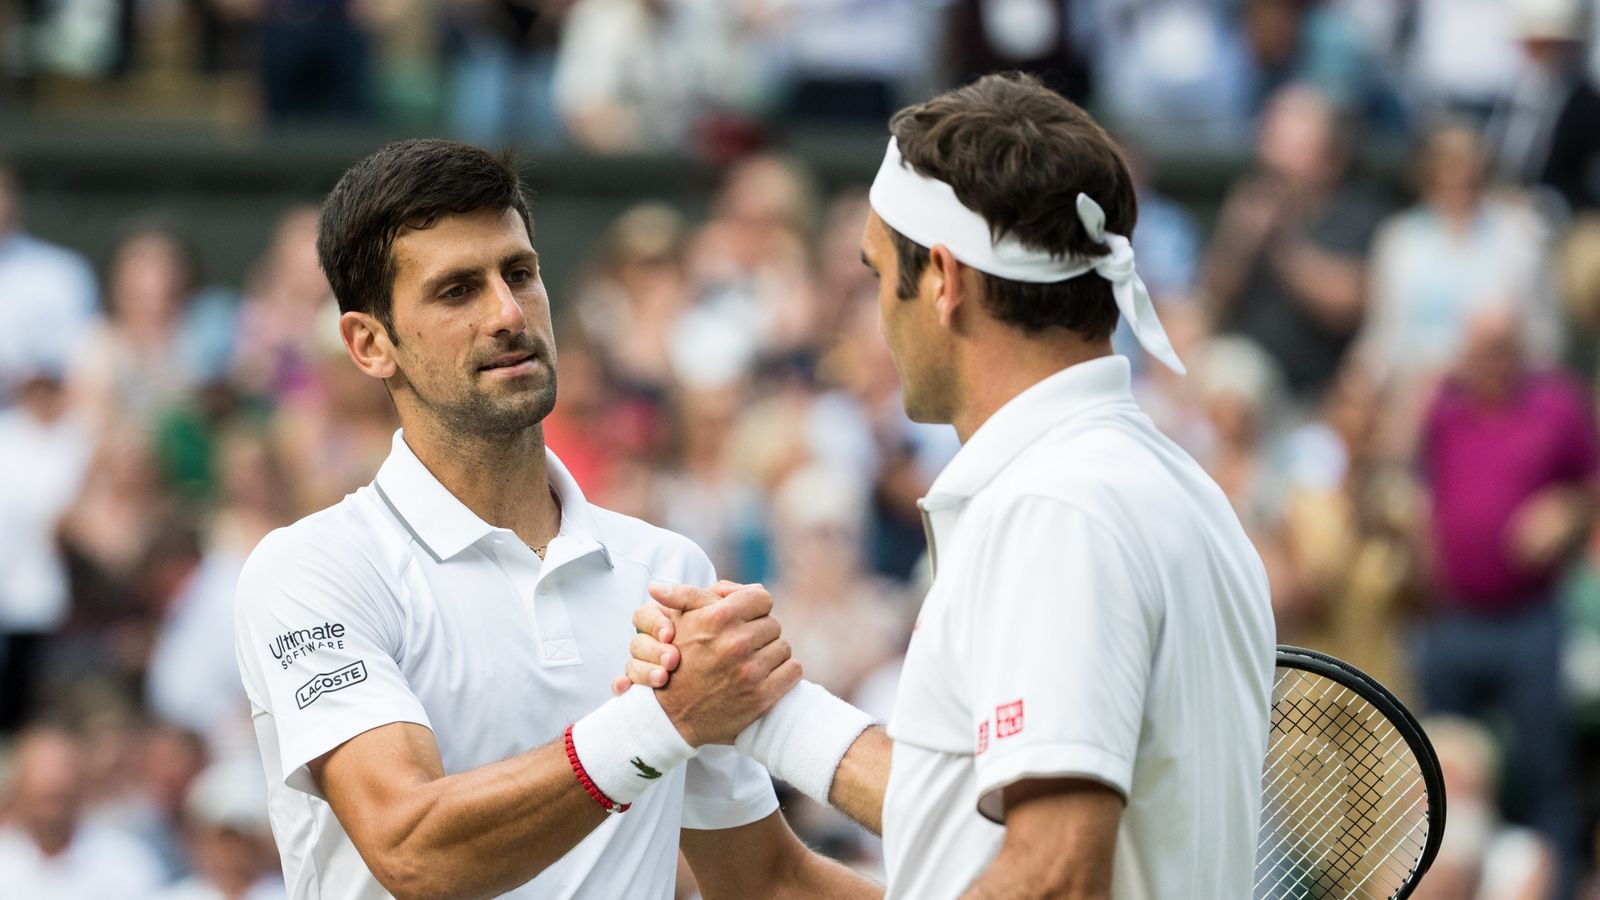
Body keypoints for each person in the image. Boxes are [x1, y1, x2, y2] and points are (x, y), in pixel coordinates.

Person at [624, 73, 1276, 898]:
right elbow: (972, 838)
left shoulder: (1055, 509)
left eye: (876, 276)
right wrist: (754, 712)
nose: (875, 318)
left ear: (942, 280)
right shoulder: (1160, 486)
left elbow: (1053, 876)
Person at [231, 139, 881, 899]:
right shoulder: (314, 569)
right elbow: (413, 849)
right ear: (370, 344)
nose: (507, 313)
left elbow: (768, 884)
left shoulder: (666, 570)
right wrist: (661, 722)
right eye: (456, 291)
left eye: (519, 273)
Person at [0, 724, 166, 899]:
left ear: (83, 784)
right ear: (16, 790)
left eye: (60, 794)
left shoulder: (127, 860)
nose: (54, 783)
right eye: (44, 797)